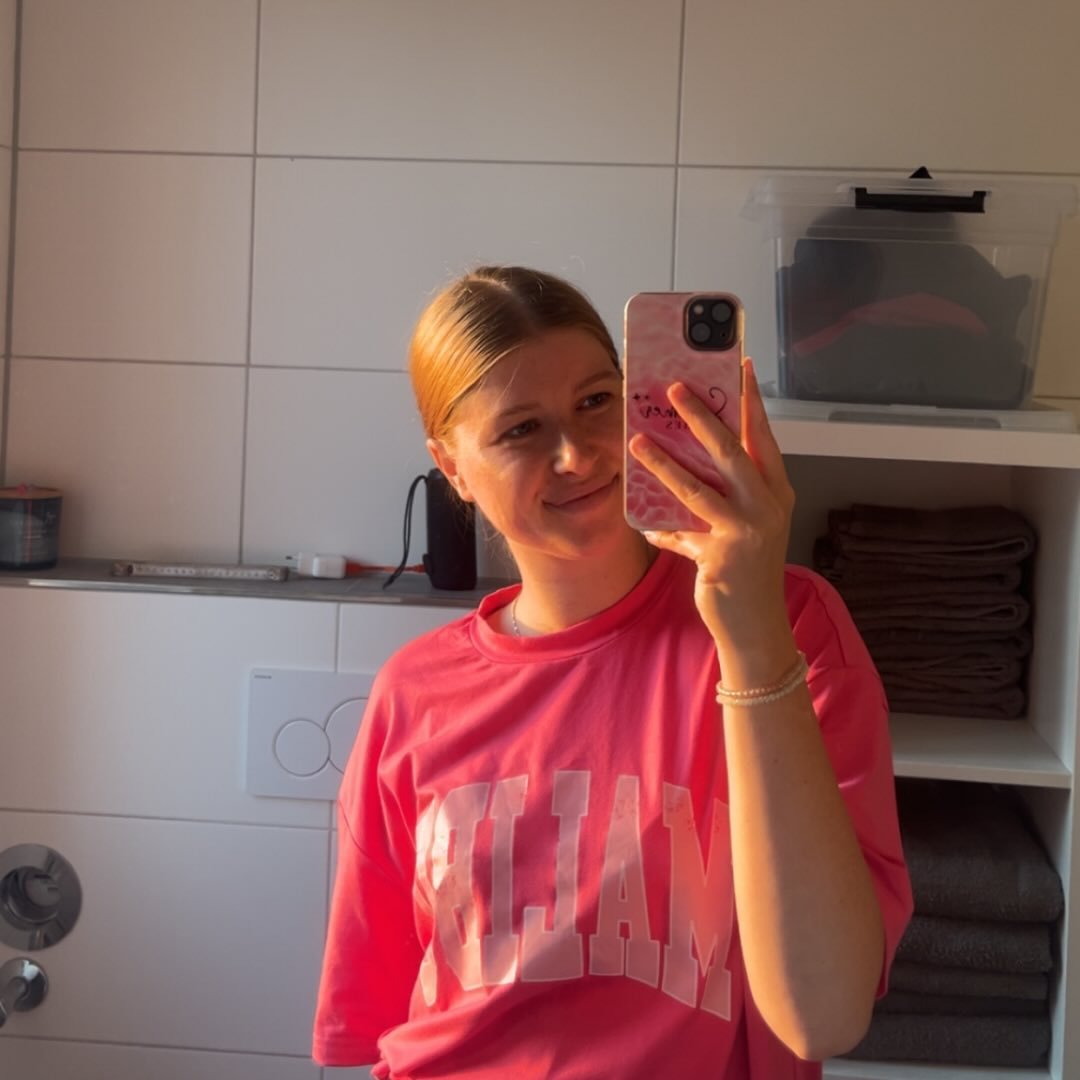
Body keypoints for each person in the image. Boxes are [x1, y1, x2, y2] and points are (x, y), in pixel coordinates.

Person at [313, 266, 913, 1079]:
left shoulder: (789, 625)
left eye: (597, 400)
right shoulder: (412, 692)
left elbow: (824, 1016)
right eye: (521, 429)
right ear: (451, 467)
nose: (576, 454)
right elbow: (381, 1013)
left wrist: (751, 639)